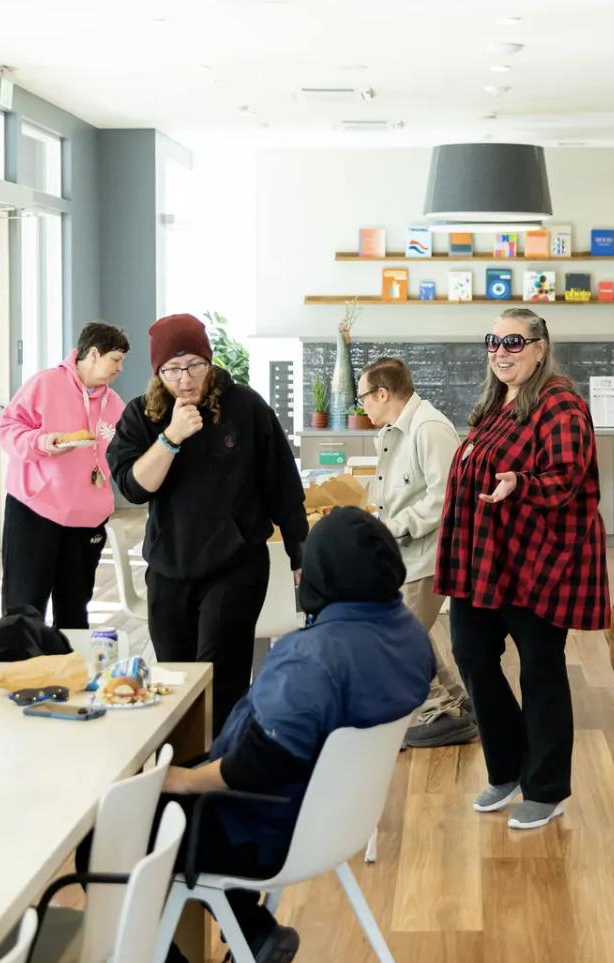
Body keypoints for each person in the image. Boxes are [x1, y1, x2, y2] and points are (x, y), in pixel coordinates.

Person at [147, 507, 435, 963]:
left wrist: (182, 780)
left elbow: (257, 765)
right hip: (335, 816)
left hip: (268, 826)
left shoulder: (314, 657)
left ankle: (243, 935)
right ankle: (255, 933)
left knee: (119, 831)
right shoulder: (410, 637)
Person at [435, 307, 609, 831]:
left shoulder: (560, 404)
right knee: (470, 654)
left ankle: (548, 788)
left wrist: (521, 483)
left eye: (514, 342)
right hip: (482, 560)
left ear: (539, 347)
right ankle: (508, 767)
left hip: (539, 560)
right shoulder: (495, 401)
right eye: (494, 341)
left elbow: (565, 475)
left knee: (540, 672)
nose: (500, 351)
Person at [107, 313, 307, 735]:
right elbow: (133, 488)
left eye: (195, 365)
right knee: (175, 682)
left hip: (236, 564)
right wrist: (171, 437)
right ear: (158, 372)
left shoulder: (246, 407)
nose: (185, 379)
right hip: (170, 567)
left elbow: (283, 486)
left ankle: (221, 773)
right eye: (173, 370)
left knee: (221, 679)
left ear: (210, 363)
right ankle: (183, 772)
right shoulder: (142, 415)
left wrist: (299, 552)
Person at [357, 357, 477, 749]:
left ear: (382, 393)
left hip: (427, 557)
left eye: (364, 398)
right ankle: (457, 702)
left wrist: (393, 526)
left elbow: (447, 499)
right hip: (405, 555)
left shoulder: (429, 429)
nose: (363, 408)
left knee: (396, 638)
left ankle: (436, 713)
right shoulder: (396, 429)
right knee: (409, 633)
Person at [0, 322, 130, 629]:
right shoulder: (45, 384)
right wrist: (44, 443)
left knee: (74, 610)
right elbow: (7, 428)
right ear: (93, 354)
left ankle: (69, 674)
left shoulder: (115, 406)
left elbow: (128, 451)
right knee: (24, 607)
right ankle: (21, 673)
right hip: (35, 510)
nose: (120, 369)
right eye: (116, 360)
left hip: (86, 521)